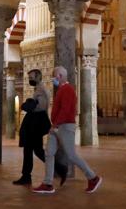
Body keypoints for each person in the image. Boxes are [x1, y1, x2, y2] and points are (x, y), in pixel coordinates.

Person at [33, 65, 102, 194]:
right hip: (57, 126)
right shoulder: (61, 90)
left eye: (54, 76)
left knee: (71, 155)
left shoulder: (68, 90)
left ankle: (93, 177)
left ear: (59, 76)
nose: (53, 79)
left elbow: (65, 110)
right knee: (49, 153)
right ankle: (48, 183)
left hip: (64, 126)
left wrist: (57, 124)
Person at [14, 69, 49, 186]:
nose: (30, 80)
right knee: (33, 150)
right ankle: (26, 176)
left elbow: (41, 107)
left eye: (31, 78)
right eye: (29, 78)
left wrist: (29, 105)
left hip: (36, 124)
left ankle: (59, 168)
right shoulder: (38, 89)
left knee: (35, 150)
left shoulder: (41, 89)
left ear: (38, 77)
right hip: (34, 124)